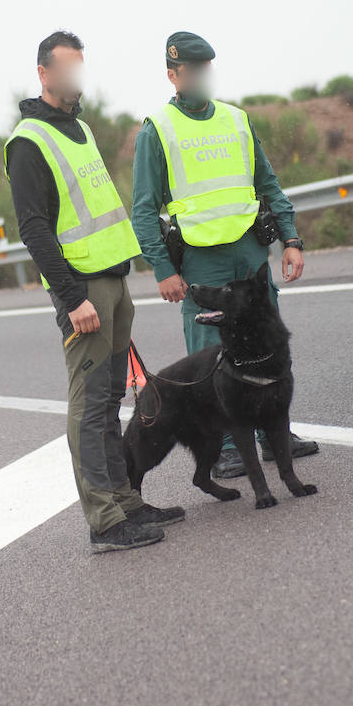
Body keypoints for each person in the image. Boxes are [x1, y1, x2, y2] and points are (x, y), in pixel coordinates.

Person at [6, 30, 182, 553]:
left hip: (112, 279)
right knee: (88, 407)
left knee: (109, 401)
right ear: (43, 73)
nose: (76, 79)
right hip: (82, 291)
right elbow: (34, 229)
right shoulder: (28, 141)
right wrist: (71, 297)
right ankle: (104, 520)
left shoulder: (79, 127)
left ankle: (126, 500)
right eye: (66, 69)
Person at [131, 31, 319, 480]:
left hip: (250, 254)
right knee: (213, 357)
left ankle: (275, 435)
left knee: (270, 344)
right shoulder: (157, 131)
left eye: (205, 69)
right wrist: (162, 268)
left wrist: (290, 239)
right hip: (201, 263)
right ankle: (229, 447)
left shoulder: (236, 120)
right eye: (191, 71)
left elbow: (267, 184)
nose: (200, 77)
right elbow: (142, 209)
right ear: (173, 75)